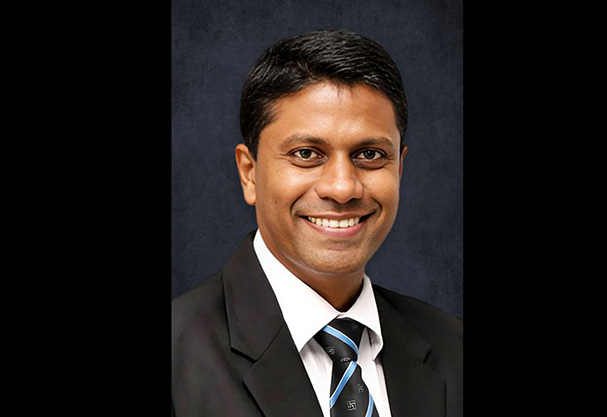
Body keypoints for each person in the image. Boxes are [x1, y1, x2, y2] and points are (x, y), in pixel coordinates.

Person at [172, 29, 462, 417]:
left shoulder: (454, 349)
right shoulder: (178, 355)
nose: (342, 188)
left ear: (399, 168)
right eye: (306, 153)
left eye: (370, 154)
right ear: (249, 173)